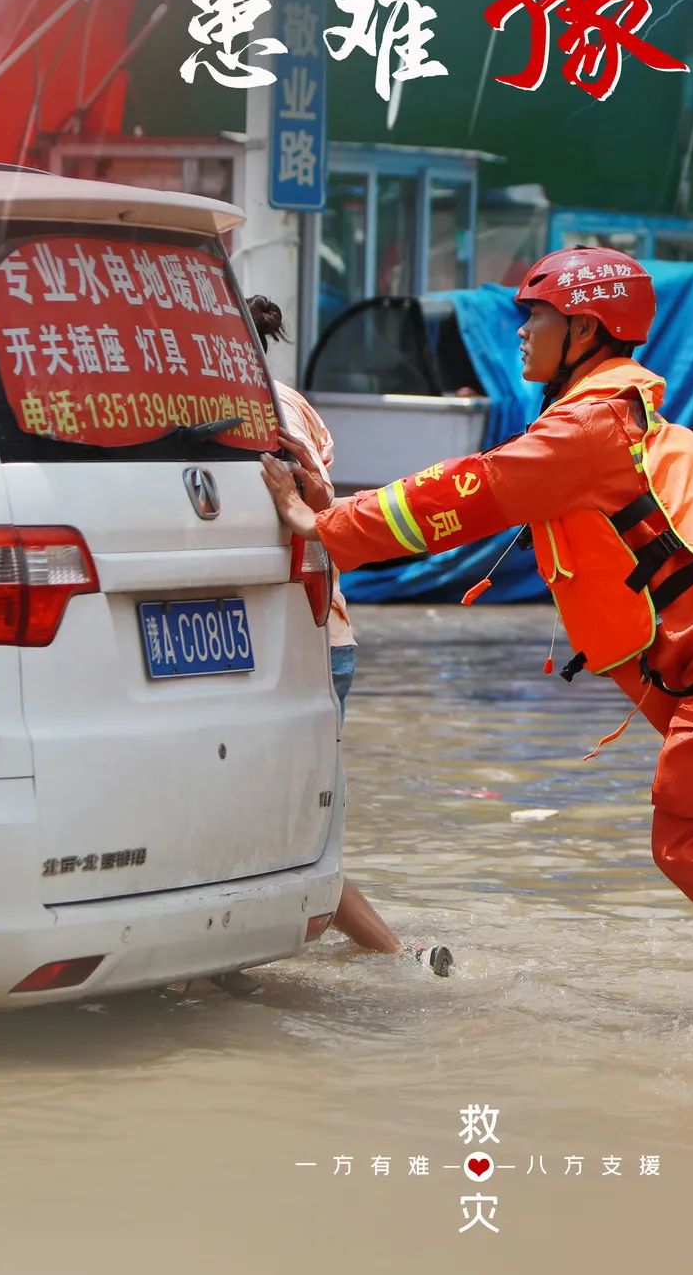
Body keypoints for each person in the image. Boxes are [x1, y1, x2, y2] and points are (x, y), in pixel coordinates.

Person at [259, 251, 693, 1016]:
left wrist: (324, 527)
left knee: (689, 840)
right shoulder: (627, 416)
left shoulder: (585, 427)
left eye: (537, 317)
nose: (521, 333)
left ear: (583, 328)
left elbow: (467, 493)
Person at [247, 295, 452, 979]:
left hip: (294, 643)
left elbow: (322, 506)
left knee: (287, 830)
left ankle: (399, 957)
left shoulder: (257, 411)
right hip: (315, 636)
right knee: (284, 824)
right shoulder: (290, 402)